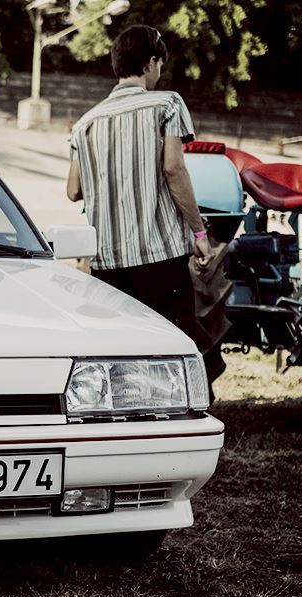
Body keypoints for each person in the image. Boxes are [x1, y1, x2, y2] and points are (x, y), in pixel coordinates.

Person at [66, 24, 225, 385]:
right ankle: (193, 418)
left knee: (125, 354)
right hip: (159, 256)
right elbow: (173, 168)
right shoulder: (167, 104)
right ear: (152, 62)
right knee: (182, 347)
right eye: (160, 65)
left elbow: (74, 190)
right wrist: (199, 232)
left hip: (108, 261)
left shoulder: (84, 124)